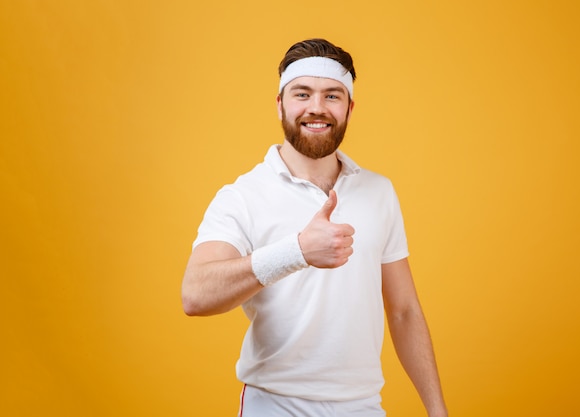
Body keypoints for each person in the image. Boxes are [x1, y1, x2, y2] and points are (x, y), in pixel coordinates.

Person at [182, 38, 447, 417]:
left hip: (363, 407)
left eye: (332, 96)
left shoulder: (379, 192)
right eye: (302, 94)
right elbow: (195, 295)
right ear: (280, 104)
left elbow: (404, 310)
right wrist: (296, 252)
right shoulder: (243, 195)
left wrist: (437, 410)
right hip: (274, 405)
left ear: (350, 108)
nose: (316, 108)